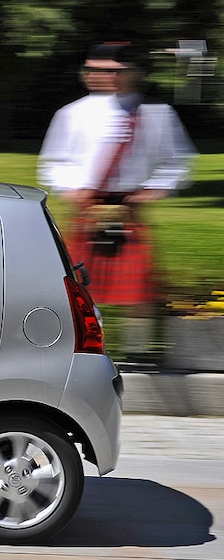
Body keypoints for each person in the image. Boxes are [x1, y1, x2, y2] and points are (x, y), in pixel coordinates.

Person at [37, 41, 198, 356]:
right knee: (80, 290)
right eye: (94, 70)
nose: (101, 77)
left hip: (128, 209)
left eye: (113, 70)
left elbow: (179, 160)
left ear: (133, 73)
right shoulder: (72, 114)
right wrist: (72, 189)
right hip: (89, 210)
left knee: (138, 292)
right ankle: (86, 351)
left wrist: (156, 188)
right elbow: (52, 164)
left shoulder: (157, 115)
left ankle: (137, 355)